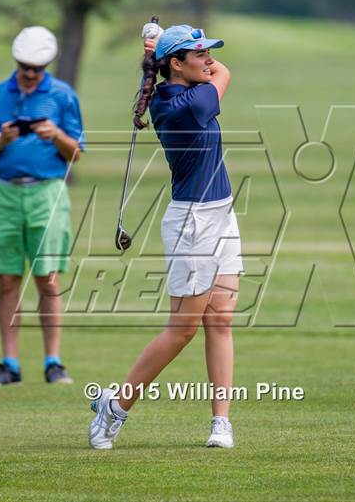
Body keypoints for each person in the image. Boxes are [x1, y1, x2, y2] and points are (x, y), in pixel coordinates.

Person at [89, 24, 243, 449]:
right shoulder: (183, 104)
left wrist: (164, 48)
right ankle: (116, 407)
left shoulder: (178, 88)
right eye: (199, 55)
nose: (209, 59)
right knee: (182, 330)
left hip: (221, 212)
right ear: (177, 65)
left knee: (221, 318)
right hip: (193, 221)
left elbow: (212, 66)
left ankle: (220, 422)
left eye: (208, 52)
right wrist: (161, 48)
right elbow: (225, 74)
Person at [0, 26, 85, 386]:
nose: (30, 73)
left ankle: (53, 361)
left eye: (37, 68)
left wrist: (55, 134)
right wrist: (1, 139)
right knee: (8, 279)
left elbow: (76, 153)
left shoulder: (62, 96)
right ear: (17, 62)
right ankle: (9, 363)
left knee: (48, 278)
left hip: (47, 193)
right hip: (3, 193)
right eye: (25, 66)